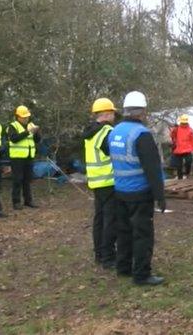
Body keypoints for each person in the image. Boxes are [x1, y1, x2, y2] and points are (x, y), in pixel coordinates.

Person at [109, 91, 166, 286]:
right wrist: (160, 195)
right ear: (142, 112)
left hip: (120, 191)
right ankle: (141, 275)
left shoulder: (114, 131)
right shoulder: (142, 135)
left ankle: (123, 267)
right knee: (142, 234)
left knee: (123, 231)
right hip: (140, 193)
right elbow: (152, 168)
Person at [83, 98, 118, 269]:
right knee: (110, 220)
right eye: (112, 112)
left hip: (96, 181)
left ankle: (99, 253)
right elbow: (112, 152)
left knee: (100, 219)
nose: (113, 115)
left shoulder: (90, 131)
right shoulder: (105, 131)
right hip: (109, 180)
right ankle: (108, 257)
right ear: (105, 114)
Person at [7, 105, 40, 210]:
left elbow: (37, 140)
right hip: (17, 157)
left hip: (29, 156)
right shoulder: (13, 126)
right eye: (24, 117)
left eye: (27, 116)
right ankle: (16, 202)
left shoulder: (31, 125)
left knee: (27, 179)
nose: (26, 118)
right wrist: (27, 132)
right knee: (17, 180)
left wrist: (36, 132)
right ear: (18, 117)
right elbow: (14, 139)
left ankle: (28, 201)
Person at [170, 114, 193, 179]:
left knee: (189, 161)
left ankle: (187, 173)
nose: (184, 124)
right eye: (183, 122)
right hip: (178, 149)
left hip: (187, 149)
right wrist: (173, 131)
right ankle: (180, 177)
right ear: (181, 122)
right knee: (179, 165)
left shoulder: (190, 130)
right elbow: (172, 136)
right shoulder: (176, 129)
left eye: (185, 122)